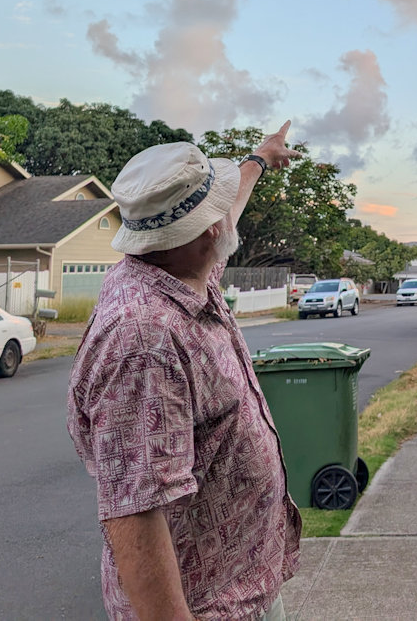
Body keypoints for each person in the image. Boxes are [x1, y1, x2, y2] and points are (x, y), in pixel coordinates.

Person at [67, 123, 302, 621]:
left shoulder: (180, 269)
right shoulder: (143, 340)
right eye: (217, 210)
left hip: (244, 588)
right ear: (209, 230)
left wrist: (260, 158)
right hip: (205, 608)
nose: (226, 213)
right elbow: (135, 510)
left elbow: (229, 206)